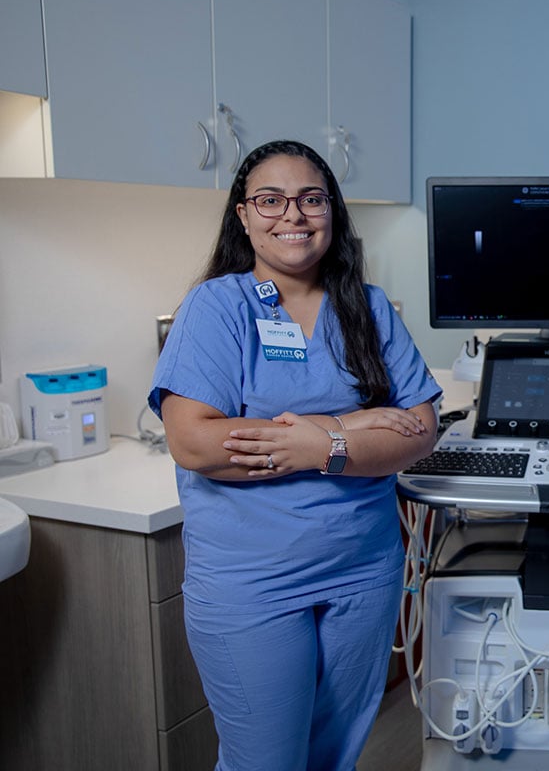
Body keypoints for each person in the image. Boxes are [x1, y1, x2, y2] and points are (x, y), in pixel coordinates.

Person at [148, 139, 441, 770]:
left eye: (311, 199)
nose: (294, 215)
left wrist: (318, 439)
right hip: (252, 582)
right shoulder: (217, 307)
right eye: (271, 200)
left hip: (363, 569)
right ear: (243, 215)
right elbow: (196, 442)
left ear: (332, 211)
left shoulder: (368, 308)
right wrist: (348, 431)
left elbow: (419, 429)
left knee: (333, 754)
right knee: (266, 761)